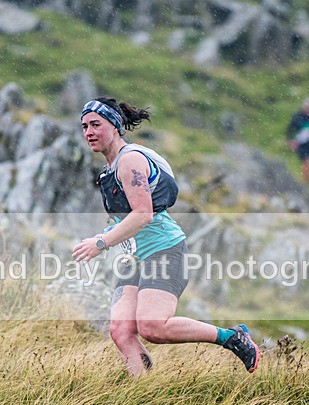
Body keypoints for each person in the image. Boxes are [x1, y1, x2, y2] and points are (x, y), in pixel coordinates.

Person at [73, 97, 260, 378]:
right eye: (85, 126)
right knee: (121, 330)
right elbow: (127, 220)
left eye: (96, 124)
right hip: (136, 259)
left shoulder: (130, 161)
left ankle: (232, 337)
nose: (89, 131)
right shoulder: (108, 171)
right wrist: (106, 238)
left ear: (114, 125)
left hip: (165, 251)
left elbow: (144, 214)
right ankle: (145, 392)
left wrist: (101, 242)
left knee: (152, 327)